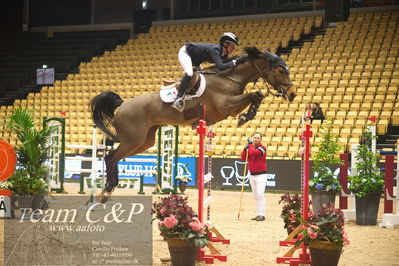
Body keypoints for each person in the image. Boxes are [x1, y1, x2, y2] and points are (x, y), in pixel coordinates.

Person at [172, 32, 244, 112]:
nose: (233, 48)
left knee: (201, 75)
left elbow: (227, 62)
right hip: (186, 53)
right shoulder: (215, 50)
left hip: (196, 61)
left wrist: (239, 59)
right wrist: (235, 61)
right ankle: (178, 99)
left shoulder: (223, 54)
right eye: (232, 46)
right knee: (189, 73)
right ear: (225, 44)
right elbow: (221, 66)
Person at [240, 133, 267, 221]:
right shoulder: (250, 148)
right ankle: (258, 213)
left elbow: (255, 154)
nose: (256, 139)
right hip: (252, 174)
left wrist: (250, 145)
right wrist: (245, 149)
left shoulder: (262, 148)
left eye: (258, 138)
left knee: (260, 194)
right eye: (254, 138)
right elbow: (243, 158)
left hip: (261, 175)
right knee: (255, 195)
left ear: (261, 139)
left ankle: (262, 214)